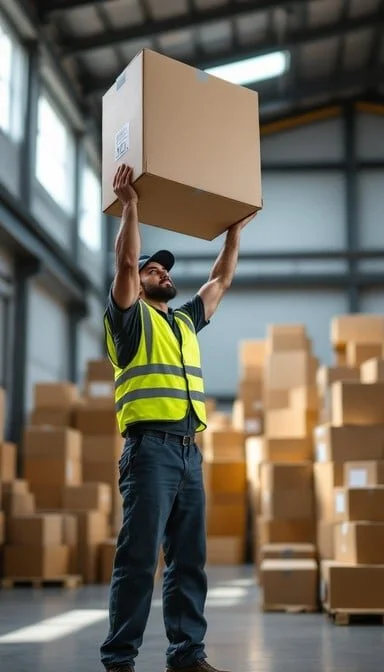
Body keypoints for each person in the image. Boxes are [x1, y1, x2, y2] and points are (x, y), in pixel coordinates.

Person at [100, 164, 255, 672]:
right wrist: (131, 204)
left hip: (190, 452)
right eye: (153, 270)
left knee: (189, 561)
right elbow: (124, 266)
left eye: (164, 269)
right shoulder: (128, 318)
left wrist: (232, 232)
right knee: (139, 560)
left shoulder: (185, 321)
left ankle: (187, 655)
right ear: (139, 284)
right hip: (149, 453)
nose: (162, 272)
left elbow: (221, 278)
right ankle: (120, 660)